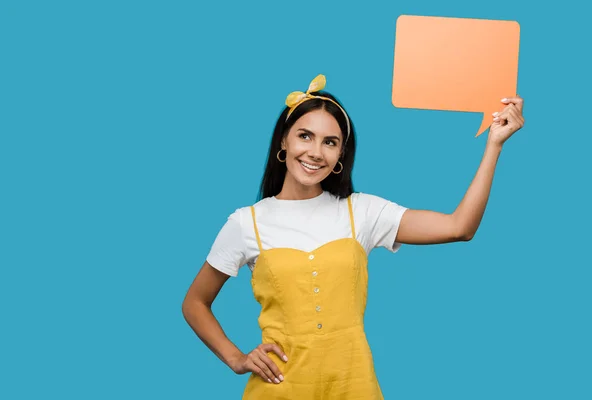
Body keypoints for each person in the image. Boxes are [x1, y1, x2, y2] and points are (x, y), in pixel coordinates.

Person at [182, 74, 525, 399]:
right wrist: (236, 358)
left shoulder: (361, 211)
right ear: (283, 141)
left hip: (353, 386)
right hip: (279, 390)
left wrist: (494, 144)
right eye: (305, 135)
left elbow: (459, 227)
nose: (316, 152)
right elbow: (195, 303)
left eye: (330, 142)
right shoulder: (246, 223)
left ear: (341, 156)